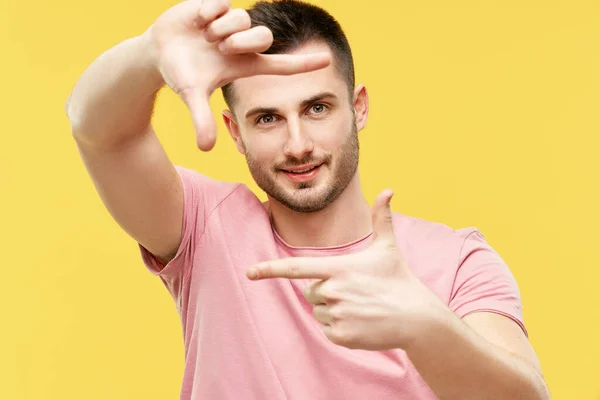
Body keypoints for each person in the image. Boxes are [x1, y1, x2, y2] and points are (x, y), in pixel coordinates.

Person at [65, 0, 550, 398]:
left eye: (317, 108)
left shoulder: (457, 260)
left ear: (357, 107)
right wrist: (149, 54)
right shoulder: (203, 228)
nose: (297, 144)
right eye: (268, 118)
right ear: (235, 132)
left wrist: (423, 325)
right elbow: (99, 132)